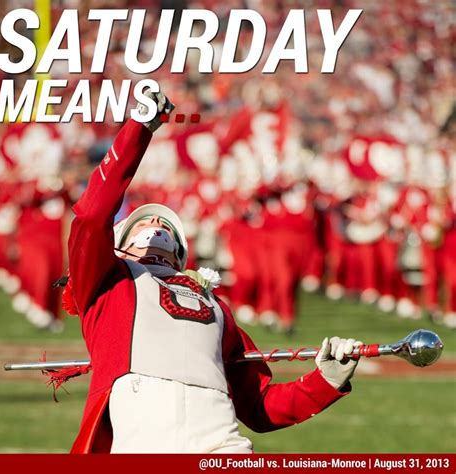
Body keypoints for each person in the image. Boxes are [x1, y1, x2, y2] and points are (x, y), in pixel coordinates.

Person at [67, 88, 363, 454]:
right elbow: (92, 214)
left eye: (166, 224)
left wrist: (326, 381)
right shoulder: (107, 284)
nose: (158, 221)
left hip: (224, 450)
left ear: (179, 255)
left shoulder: (215, 305)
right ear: (118, 246)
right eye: (144, 222)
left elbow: (257, 405)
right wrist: (138, 130)